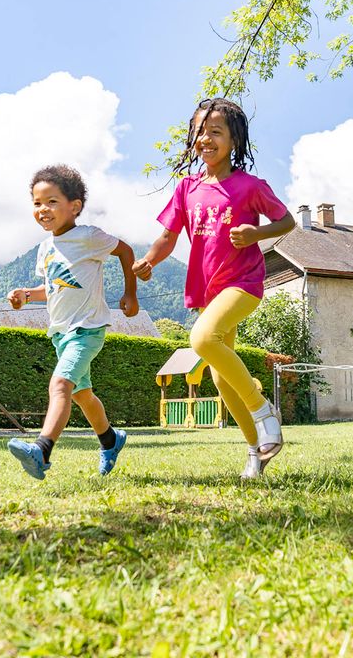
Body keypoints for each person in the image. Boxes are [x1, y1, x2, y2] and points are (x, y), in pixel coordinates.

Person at [133, 98, 295, 479]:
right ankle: (256, 451)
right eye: (199, 132)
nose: (205, 138)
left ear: (234, 140)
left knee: (202, 340)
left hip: (244, 284)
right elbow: (168, 236)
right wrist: (149, 260)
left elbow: (285, 221)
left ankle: (263, 410)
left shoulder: (250, 186)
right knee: (222, 379)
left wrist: (257, 232)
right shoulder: (187, 188)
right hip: (210, 291)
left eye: (215, 132)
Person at [6, 164, 138, 480]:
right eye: (37, 203)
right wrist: (26, 294)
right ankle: (110, 440)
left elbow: (126, 251)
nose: (43, 210)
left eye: (51, 201)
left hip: (87, 329)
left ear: (74, 206)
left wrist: (130, 293)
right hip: (60, 333)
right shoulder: (45, 248)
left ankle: (42, 449)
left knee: (60, 384)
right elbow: (53, 288)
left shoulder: (88, 237)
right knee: (82, 395)